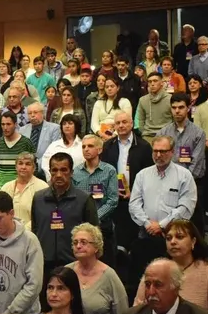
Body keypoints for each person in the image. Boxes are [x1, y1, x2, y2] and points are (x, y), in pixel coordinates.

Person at [67, 223, 128, 314]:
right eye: (75, 243)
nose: (78, 246)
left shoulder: (109, 276)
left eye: (83, 242)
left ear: (97, 247)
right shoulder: (66, 272)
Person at [32, 152, 99, 275]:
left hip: (74, 264)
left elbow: (94, 234)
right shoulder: (38, 198)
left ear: (71, 172)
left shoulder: (84, 199)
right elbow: (35, 230)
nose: (58, 175)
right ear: (50, 172)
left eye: (64, 170)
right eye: (54, 170)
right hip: (44, 264)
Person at [128, 136, 197, 254]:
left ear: (172, 152)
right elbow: (134, 204)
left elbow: (186, 206)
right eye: (155, 151)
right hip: (146, 233)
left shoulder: (184, 175)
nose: (158, 155)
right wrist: (147, 223)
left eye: (163, 151)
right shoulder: (142, 175)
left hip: (174, 235)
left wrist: (161, 225)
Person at [101, 109, 154, 249]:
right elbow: (103, 172)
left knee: (133, 238)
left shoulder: (144, 146)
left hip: (137, 198)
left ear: (131, 124)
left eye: (124, 122)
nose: (121, 125)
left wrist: (136, 192)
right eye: (117, 123)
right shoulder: (108, 146)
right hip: (114, 197)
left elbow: (150, 174)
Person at [73, 134, 119, 262]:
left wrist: (94, 218)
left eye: (90, 146)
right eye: (83, 147)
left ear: (99, 150)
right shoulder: (76, 172)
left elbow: (113, 200)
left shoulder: (109, 171)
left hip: (103, 226)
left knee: (107, 264)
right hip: (81, 227)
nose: (86, 149)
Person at [157, 94, 206, 180]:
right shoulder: (163, 133)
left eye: (181, 107)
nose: (177, 111)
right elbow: (159, 159)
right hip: (167, 179)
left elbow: (197, 164)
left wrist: (182, 181)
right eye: (174, 107)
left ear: (188, 108)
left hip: (191, 180)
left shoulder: (199, 133)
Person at [0, 153, 48, 232]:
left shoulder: (42, 187)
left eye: (28, 164)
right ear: (16, 167)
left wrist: (23, 230)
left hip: (33, 234)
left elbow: (42, 215)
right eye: (20, 163)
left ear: (34, 168)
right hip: (8, 233)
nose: (23, 167)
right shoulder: (6, 187)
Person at [0, 111, 35, 189]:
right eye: (3, 124)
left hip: (22, 186)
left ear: (15, 125)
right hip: (2, 187)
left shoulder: (26, 143)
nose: (5, 127)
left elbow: (34, 166)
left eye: (8, 124)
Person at [40, 113, 84, 178]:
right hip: (56, 180)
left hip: (79, 181)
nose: (67, 126)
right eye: (64, 124)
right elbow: (45, 164)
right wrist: (51, 178)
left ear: (76, 126)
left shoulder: (83, 145)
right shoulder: (54, 145)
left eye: (70, 123)